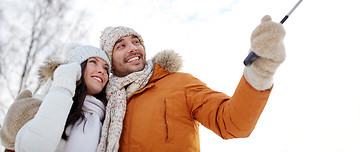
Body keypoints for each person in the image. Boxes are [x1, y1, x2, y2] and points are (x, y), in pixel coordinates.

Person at [97, 15, 286, 152]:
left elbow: (232, 123)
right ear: (110, 61)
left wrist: (259, 72)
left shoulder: (180, 83)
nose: (132, 48)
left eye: (136, 42)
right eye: (121, 45)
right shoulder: (102, 103)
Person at [0, 44, 111, 152]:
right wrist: (64, 83)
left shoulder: (106, 119)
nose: (102, 71)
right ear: (76, 66)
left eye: (106, 68)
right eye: (93, 62)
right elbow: (33, 147)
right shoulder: (37, 103)